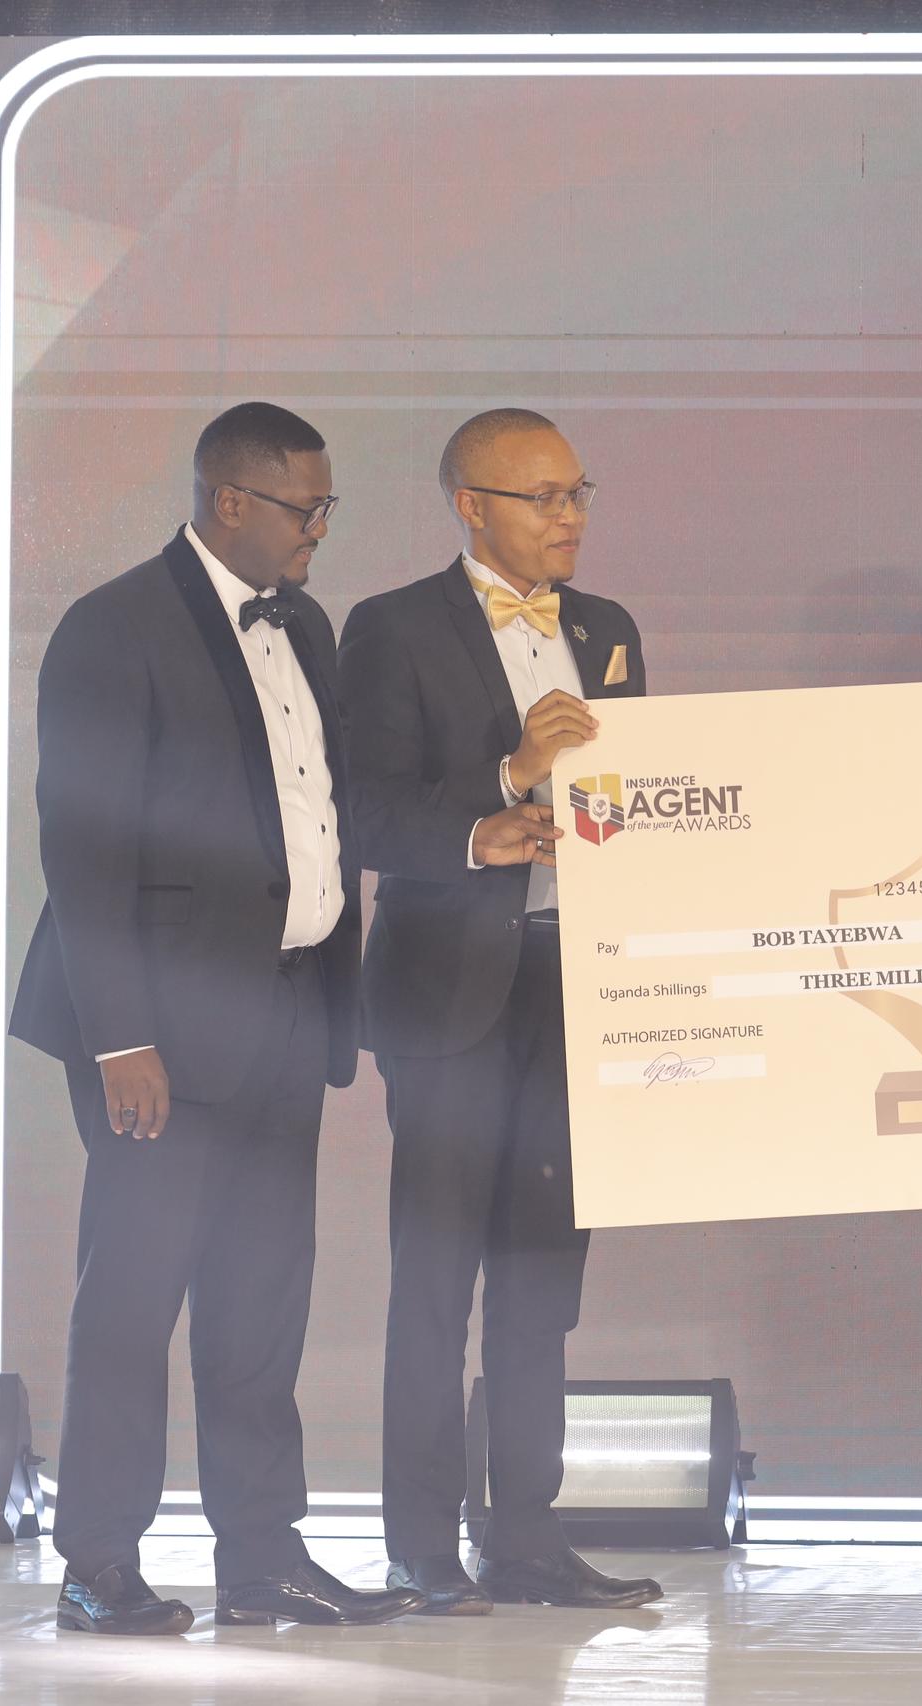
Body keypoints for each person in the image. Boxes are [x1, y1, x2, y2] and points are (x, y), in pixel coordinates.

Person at [9, 403, 424, 1634]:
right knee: (132, 1304)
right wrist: (119, 1035)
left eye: (328, 506)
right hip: (157, 1039)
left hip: (286, 1014)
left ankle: (263, 1555)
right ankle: (97, 1562)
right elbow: (82, 846)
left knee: (260, 1307)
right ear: (229, 499)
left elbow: (318, 811)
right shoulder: (114, 626)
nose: (320, 530)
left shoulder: (306, 625)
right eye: (306, 507)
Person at [339, 409, 662, 1613]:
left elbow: (636, 796)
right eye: (542, 496)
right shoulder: (392, 626)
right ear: (470, 505)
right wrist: (505, 782)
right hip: (449, 990)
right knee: (435, 1279)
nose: (569, 515)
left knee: (542, 1277)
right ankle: (421, 1544)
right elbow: (363, 811)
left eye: (579, 491)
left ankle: (524, 1532)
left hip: (575, 982)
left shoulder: (608, 628)